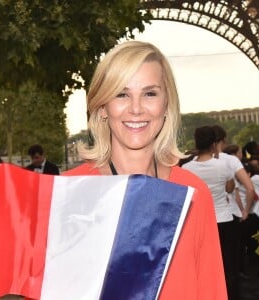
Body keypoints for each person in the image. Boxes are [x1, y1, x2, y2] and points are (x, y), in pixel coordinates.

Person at [63, 41, 228, 299]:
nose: (136, 108)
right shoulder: (69, 194)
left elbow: (211, 290)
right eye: (121, 94)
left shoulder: (195, 194)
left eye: (150, 93)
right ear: (102, 107)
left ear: (166, 105)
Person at [182, 126, 239, 300]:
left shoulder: (186, 168)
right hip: (224, 220)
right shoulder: (222, 165)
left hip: (199, 224)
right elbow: (230, 188)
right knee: (229, 267)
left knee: (204, 267)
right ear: (214, 144)